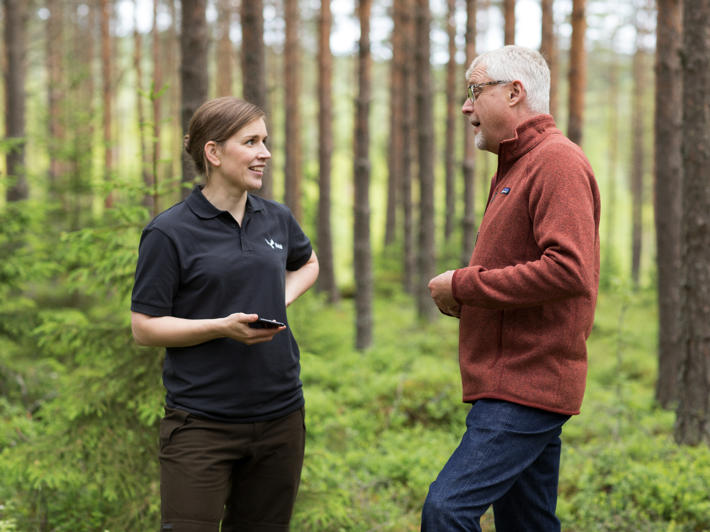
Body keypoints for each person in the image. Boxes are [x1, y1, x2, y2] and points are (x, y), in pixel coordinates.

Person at [422, 45, 600, 531]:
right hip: (515, 379)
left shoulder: (555, 162)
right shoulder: (519, 164)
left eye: (475, 91)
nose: (465, 106)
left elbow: (569, 270)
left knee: (446, 511)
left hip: (526, 384)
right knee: (528, 523)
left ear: (515, 93)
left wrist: (464, 286)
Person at [130, 96, 319, 532]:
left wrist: (278, 300)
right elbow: (144, 327)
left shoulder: (276, 218)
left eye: (265, 141)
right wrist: (221, 327)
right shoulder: (169, 232)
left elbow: (308, 264)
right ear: (213, 153)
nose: (265, 153)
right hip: (200, 425)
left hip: (281, 417)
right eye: (250, 141)